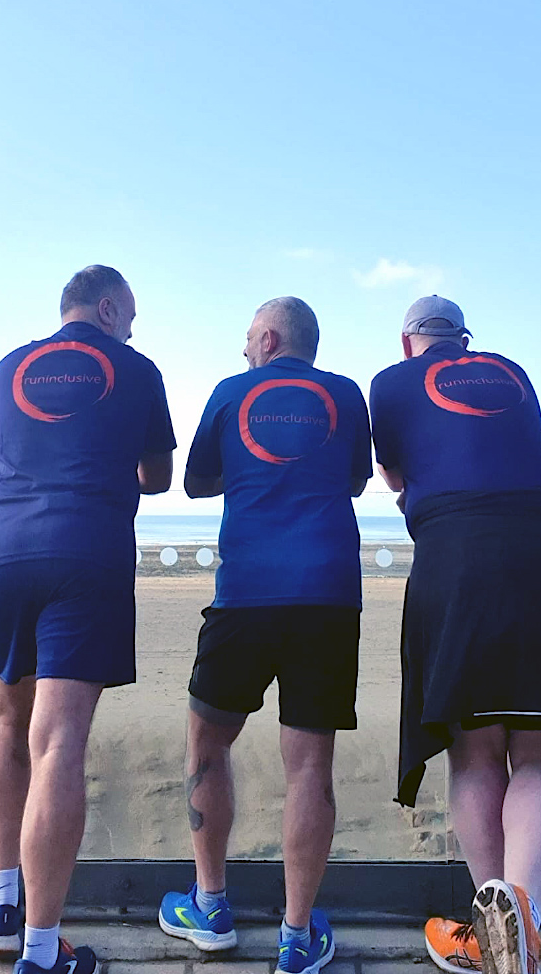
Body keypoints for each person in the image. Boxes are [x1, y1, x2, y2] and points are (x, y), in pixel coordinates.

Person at [368, 296, 541, 974]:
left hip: (457, 551)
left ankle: (491, 924)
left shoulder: (391, 383)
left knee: (474, 747)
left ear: (406, 341)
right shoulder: (510, 370)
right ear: (465, 338)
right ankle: (522, 914)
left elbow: (397, 474)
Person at [0, 265, 176, 974]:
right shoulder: (136, 368)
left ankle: (0, 906)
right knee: (57, 743)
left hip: (2, 555)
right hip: (85, 553)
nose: (131, 329)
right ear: (110, 306)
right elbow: (158, 476)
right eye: (131, 316)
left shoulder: (9, 365)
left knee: (6, 723)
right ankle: (40, 948)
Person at [158, 297, 372, 974]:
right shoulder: (346, 395)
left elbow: (193, 482)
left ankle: (212, 905)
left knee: (207, 740)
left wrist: (248, 473)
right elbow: (357, 480)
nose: (244, 349)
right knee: (310, 764)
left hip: (246, 594)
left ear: (271, 337)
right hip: (328, 595)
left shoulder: (230, 393)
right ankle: (296, 934)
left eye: (248, 338)